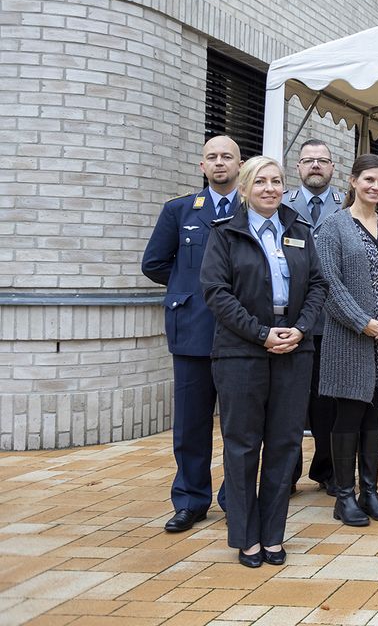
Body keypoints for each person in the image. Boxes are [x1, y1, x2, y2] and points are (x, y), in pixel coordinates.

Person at [200, 156, 327, 567]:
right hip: (241, 353)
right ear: (245, 188)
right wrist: (261, 333)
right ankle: (245, 537)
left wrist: (301, 329)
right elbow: (217, 293)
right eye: (261, 182)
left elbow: (319, 285)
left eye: (276, 181)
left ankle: (273, 535)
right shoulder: (225, 233)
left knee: (284, 446)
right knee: (242, 447)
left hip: (294, 350)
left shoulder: (300, 230)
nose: (270, 188)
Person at [142, 134, 241, 534]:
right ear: (202, 166)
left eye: (227, 157)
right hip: (192, 333)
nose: (219, 163)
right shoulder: (180, 210)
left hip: (240, 335)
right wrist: (189, 287)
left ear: (239, 165)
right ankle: (190, 500)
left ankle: (235, 498)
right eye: (212, 157)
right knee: (190, 425)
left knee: (241, 424)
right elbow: (154, 263)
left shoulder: (256, 210)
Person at [314, 154, 378, 526]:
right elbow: (328, 283)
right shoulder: (332, 227)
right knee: (349, 413)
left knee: (376, 411)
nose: (375, 187)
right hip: (349, 341)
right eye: (369, 180)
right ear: (353, 181)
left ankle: (369, 491)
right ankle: (344, 495)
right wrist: (363, 323)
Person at [281, 138, 344, 495]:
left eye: (322, 161)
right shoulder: (282, 204)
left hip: (334, 322)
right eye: (308, 161)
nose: (315, 166)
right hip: (292, 321)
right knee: (290, 402)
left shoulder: (346, 205)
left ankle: (327, 470)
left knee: (328, 404)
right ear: (298, 167)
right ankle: (287, 473)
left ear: (333, 167)